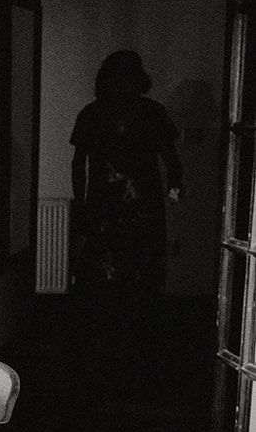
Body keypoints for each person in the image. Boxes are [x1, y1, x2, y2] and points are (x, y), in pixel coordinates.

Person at [70, 49, 184, 409]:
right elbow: (79, 164)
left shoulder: (152, 113)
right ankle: (105, 355)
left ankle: (138, 355)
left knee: (142, 277)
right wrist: (83, 207)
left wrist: (176, 184)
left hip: (141, 209)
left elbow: (170, 157)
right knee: (102, 282)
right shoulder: (92, 114)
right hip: (105, 209)